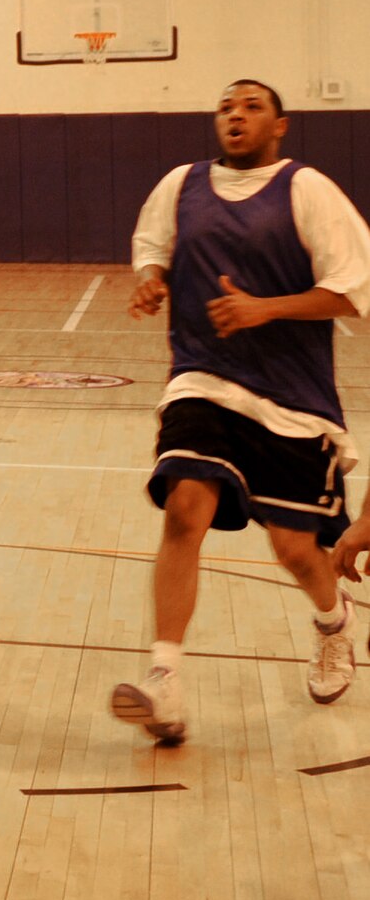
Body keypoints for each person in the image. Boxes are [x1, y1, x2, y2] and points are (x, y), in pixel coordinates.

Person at [111, 80, 370, 744]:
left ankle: (334, 621)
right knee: (183, 506)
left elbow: (352, 290)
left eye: (252, 106)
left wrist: (265, 308)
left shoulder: (307, 189)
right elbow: (152, 250)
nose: (236, 115)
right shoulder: (181, 185)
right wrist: (150, 283)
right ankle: (164, 679)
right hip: (203, 378)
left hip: (292, 398)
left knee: (296, 549)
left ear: (280, 125)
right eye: (226, 106)